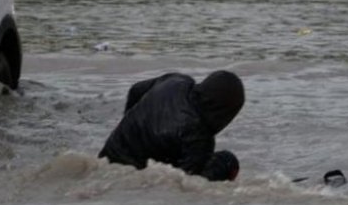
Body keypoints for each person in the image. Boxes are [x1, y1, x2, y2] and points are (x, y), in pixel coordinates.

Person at [99, 71, 244, 182]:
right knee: (227, 161)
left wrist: (129, 124)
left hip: (107, 156)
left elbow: (136, 90)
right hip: (131, 176)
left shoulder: (177, 81)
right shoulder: (199, 136)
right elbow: (187, 181)